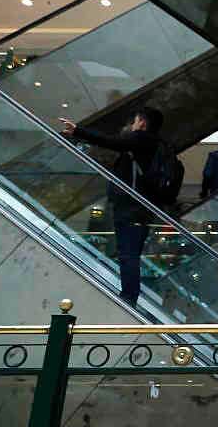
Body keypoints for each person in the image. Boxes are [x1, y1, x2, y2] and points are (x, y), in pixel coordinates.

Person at [58, 108, 164, 304]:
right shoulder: (156, 144)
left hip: (131, 206)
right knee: (131, 253)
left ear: (141, 123)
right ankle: (130, 295)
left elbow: (113, 142)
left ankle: (129, 298)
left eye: (135, 120)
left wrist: (78, 131)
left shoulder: (141, 140)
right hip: (143, 207)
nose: (133, 124)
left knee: (128, 254)